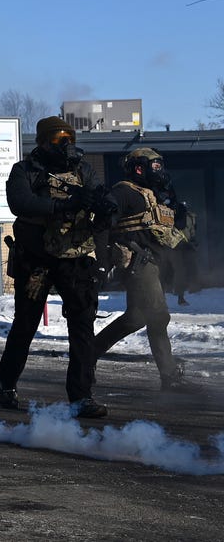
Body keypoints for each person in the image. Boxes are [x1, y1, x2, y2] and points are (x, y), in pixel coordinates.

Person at [0, 116, 113, 418]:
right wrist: (61, 206)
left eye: (69, 139)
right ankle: (7, 384)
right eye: (58, 139)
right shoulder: (25, 171)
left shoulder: (84, 171)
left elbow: (100, 210)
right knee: (26, 324)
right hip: (37, 260)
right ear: (43, 142)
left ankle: (81, 396)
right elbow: (20, 203)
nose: (65, 145)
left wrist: (102, 211)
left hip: (76, 258)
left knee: (83, 327)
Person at [93, 148, 192, 391]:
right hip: (139, 262)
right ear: (139, 168)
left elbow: (169, 230)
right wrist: (103, 262)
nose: (159, 171)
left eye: (160, 165)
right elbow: (102, 224)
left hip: (157, 263)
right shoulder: (123, 191)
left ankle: (87, 354)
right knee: (158, 316)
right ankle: (169, 378)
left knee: (136, 318)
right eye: (154, 166)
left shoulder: (155, 194)